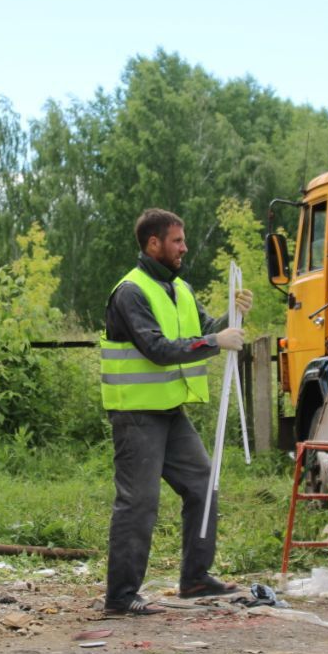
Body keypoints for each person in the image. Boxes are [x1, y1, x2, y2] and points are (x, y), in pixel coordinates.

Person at [99, 208, 252, 615]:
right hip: (136, 414)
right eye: (177, 241)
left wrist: (231, 318)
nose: (185, 248)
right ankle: (120, 596)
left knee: (203, 482)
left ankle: (196, 580)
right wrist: (216, 341)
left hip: (169, 410)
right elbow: (158, 348)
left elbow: (205, 330)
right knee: (139, 502)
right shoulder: (130, 292)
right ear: (154, 244)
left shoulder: (179, 288)